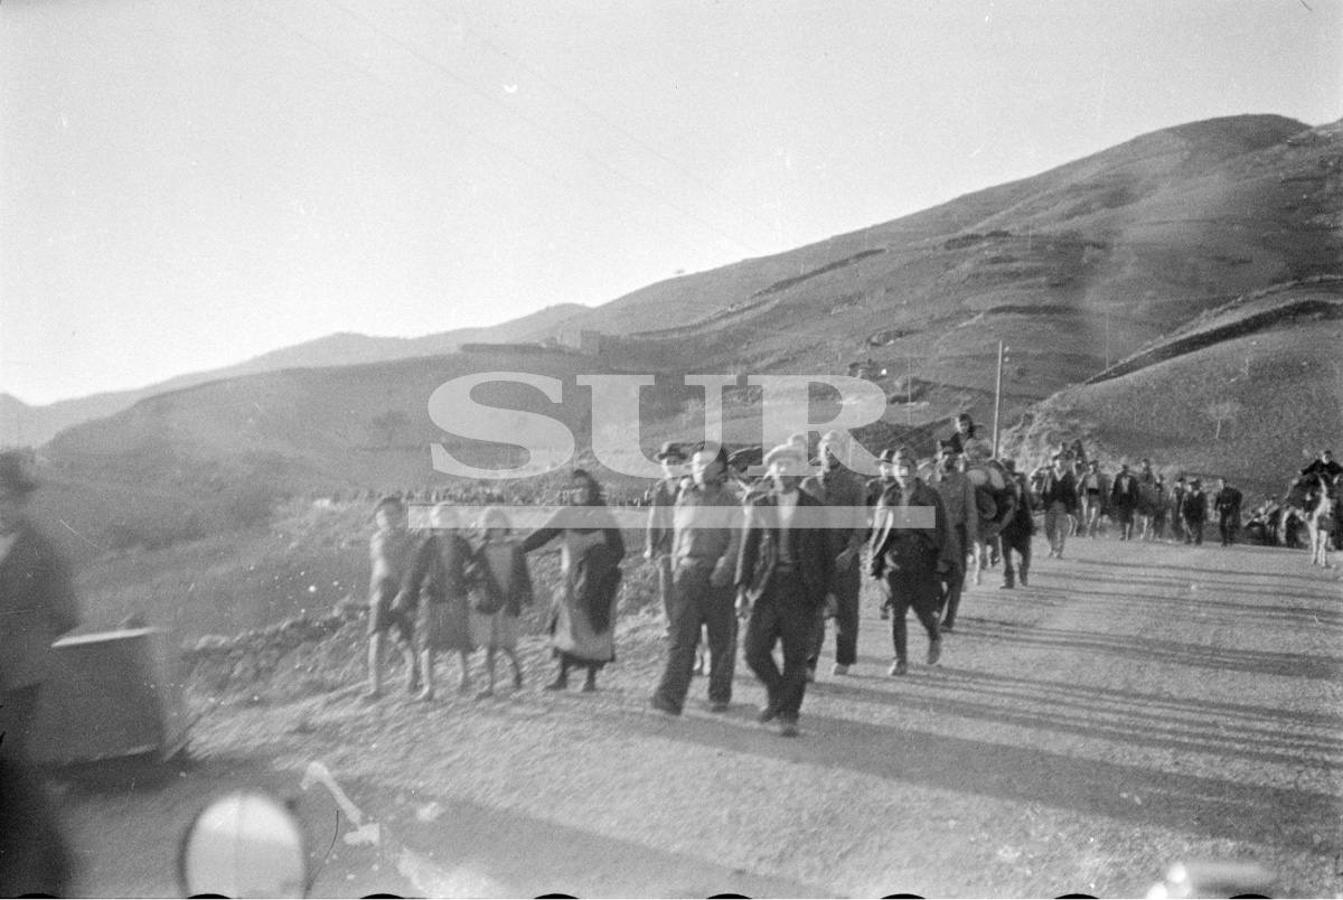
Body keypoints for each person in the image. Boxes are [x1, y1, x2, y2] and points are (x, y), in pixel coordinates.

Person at [0, 451, 78, 898]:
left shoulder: (43, 549)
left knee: (14, 755)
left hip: (23, 673)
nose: (2, 507)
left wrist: (30, 638)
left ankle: (32, 853)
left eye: (9, 498)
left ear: (23, 501)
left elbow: (67, 613)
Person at [735, 442, 832, 737]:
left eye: (790, 465)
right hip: (767, 587)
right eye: (778, 465)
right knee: (753, 651)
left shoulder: (814, 507)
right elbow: (748, 550)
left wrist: (828, 593)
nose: (783, 470)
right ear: (771, 470)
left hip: (803, 589)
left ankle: (789, 715)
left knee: (795, 656)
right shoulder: (760, 505)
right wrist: (741, 590)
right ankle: (779, 696)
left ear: (799, 470)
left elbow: (826, 553)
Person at [650, 443, 742, 715]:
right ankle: (670, 697)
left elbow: (737, 541)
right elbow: (679, 535)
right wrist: (678, 566)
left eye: (707, 463)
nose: (700, 468)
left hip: (717, 578)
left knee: (721, 640)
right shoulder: (684, 496)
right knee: (682, 639)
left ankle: (719, 694)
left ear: (721, 468)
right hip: (688, 575)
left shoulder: (730, 501)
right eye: (697, 463)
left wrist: (724, 569)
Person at [521, 470, 626, 692]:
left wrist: (597, 564)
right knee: (567, 629)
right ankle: (562, 677)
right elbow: (543, 535)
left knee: (594, 630)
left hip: (596, 586)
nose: (579, 491)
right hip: (570, 585)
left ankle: (591, 680)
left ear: (592, 490)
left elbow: (619, 550)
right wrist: (519, 548)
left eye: (584, 487)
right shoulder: (565, 515)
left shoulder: (604, 516)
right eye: (575, 487)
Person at [868, 446, 954, 676]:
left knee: (924, 611)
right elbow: (878, 531)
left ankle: (934, 635)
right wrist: (873, 559)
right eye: (899, 468)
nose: (903, 472)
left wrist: (944, 560)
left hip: (922, 560)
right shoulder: (888, 496)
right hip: (894, 561)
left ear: (915, 470)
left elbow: (943, 529)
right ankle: (900, 660)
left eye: (907, 467)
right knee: (897, 612)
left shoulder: (930, 495)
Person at [801, 431, 868, 676]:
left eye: (836, 449)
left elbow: (860, 523)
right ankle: (809, 662)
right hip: (815, 559)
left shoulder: (855, 484)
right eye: (827, 449)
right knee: (813, 610)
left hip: (843, 557)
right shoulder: (808, 485)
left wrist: (850, 552)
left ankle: (844, 658)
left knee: (846, 610)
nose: (831, 454)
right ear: (820, 453)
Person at [396, 503, 475, 700]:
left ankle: (464, 677)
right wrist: (407, 597)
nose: (445, 522)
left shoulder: (462, 543)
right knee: (427, 642)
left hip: (458, 596)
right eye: (440, 518)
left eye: (449, 518)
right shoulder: (427, 544)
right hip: (432, 598)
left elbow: (474, 567)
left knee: (461, 639)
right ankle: (429, 687)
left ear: (456, 521)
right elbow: (415, 573)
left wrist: (476, 585)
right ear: (433, 521)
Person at [468, 507, 534, 698]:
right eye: (492, 527)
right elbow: (471, 574)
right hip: (490, 603)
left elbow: (524, 574)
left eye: (500, 526)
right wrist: (476, 590)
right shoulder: (481, 550)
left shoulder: (515, 548)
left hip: (509, 601)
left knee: (506, 644)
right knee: (489, 646)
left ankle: (515, 668)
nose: (496, 530)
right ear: (486, 529)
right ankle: (489, 686)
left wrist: (527, 594)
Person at [365, 495, 420, 699]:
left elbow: (411, 570)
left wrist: (405, 593)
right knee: (377, 638)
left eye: (391, 513)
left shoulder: (410, 539)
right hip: (380, 595)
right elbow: (376, 567)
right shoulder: (375, 539)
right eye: (381, 514)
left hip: (403, 594)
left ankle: (414, 672)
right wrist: (372, 594)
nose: (386, 518)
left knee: (404, 638)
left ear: (401, 515)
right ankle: (376, 688)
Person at [927, 440, 978, 630]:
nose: (949, 457)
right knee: (933, 576)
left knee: (956, 578)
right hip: (934, 534)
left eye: (953, 454)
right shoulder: (930, 479)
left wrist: (970, 541)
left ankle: (949, 619)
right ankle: (935, 612)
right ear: (939, 455)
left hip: (957, 534)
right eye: (945, 453)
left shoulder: (964, 481)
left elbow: (971, 511)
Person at [644, 441, 688, 631]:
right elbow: (653, 519)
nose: (671, 465)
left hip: (687, 544)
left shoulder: (690, 486)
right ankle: (672, 626)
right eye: (668, 462)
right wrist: (651, 546)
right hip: (666, 544)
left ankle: (690, 624)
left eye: (674, 461)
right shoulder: (659, 489)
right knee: (667, 588)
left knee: (686, 586)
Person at [998, 459, 1035, 589]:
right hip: (1007, 523)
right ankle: (1008, 580)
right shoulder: (999, 482)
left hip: (1021, 521)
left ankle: (1022, 573)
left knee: (1024, 553)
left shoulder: (1021, 480)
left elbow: (1030, 499)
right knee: (1006, 554)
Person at [1038, 454, 1078, 558]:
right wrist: (1041, 502)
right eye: (1059, 460)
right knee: (1048, 528)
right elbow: (1044, 489)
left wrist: (1073, 506)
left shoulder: (1069, 475)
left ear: (1066, 462)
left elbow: (1073, 492)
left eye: (1063, 460)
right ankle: (1052, 547)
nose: (1061, 462)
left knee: (1060, 528)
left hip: (1063, 505)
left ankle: (1059, 551)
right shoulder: (1050, 474)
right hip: (1050, 504)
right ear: (1055, 462)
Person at [1110, 464, 1141, 541]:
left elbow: (1137, 491)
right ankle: (1123, 534)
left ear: (1127, 470)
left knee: (1130, 517)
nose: (1123, 471)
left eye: (1125, 469)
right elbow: (1114, 489)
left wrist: (1137, 501)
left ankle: (1129, 534)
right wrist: (1113, 500)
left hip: (1130, 499)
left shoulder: (1132, 479)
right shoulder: (1118, 478)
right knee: (1121, 517)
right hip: (1121, 499)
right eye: (1122, 469)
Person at [1078, 460, 1107, 538]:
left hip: (1097, 497)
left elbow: (1105, 489)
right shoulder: (1085, 475)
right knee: (1087, 516)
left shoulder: (1101, 476)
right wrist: (1080, 495)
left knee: (1095, 516)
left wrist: (1105, 499)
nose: (1094, 467)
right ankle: (1089, 531)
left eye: (1096, 465)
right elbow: (1079, 486)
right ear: (1089, 466)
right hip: (1087, 497)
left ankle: (1091, 532)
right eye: (1092, 465)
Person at [1213, 478, 1243, 547]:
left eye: (1222, 483)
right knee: (1221, 525)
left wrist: (1236, 505)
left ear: (1225, 483)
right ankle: (1224, 541)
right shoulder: (1219, 492)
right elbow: (1216, 501)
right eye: (1219, 483)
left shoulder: (1231, 490)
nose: (1221, 484)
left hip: (1231, 510)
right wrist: (1214, 510)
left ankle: (1231, 540)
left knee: (1230, 525)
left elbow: (1239, 495)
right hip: (1223, 511)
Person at [1182, 478, 1208, 546]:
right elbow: (1184, 504)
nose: (1193, 486)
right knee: (1188, 527)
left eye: (1195, 485)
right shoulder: (1187, 494)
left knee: (1199, 528)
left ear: (1198, 486)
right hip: (1189, 514)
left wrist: (1204, 515)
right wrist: (1183, 513)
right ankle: (1188, 540)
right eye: (1192, 485)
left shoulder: (1202, 495)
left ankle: (1198, 541)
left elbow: (1204, 506)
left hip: (1199, 514)